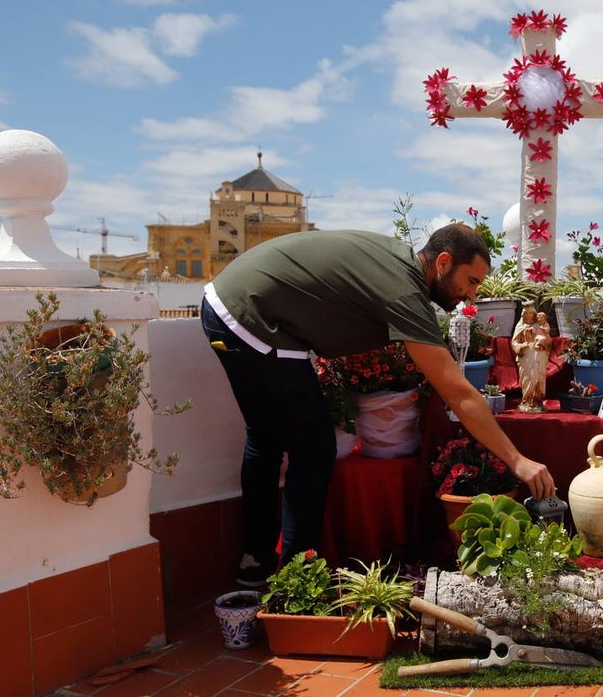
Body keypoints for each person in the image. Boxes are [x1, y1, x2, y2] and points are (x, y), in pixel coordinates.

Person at [201, 224, 555, 587]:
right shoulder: (404, 290)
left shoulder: (399, 265)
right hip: (250, 316)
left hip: (232, 303)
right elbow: (458, 392)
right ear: (444, 262)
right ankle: (296, 578)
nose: (470, 296)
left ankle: (255, 562)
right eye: (471, 281)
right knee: (313, 449)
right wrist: (517, 461)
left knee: (266, 438)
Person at [512, 303, 551, 412]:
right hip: (527, 358)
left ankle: (537, 401)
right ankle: (527, 400)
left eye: (531, 313)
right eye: (527, 313)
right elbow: (514, 342)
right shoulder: (520, 326)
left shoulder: (540, 326)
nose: (529, 315)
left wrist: (545, 343)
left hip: (539, 356)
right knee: (527, 379)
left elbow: (548, 340)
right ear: (523, 314)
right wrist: (521, 346)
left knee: (539, 378)